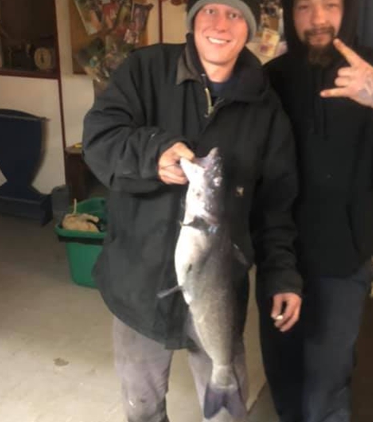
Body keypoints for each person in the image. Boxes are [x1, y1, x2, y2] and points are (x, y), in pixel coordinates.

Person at [81, 0, 303, 421]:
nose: (221, 24)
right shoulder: (145, 70)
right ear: (193, 19)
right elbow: (98, 138)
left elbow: (277, 208)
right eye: (211, 10)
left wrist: (283, 274)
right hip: (138, 282)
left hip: (219, 291)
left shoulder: (267, 110)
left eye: (236, 14)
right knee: (142, 406)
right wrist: (151, 156)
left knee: (227, 410)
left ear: (251, 27)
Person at [256, 0, 373, 421]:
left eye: (331, 4)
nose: (318, 18)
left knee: (327, 380)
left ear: (349, 10)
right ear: (288, 13)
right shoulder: (270, 79)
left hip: (344, 260)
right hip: (277, 256)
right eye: (304, 6)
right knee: (281, 372)